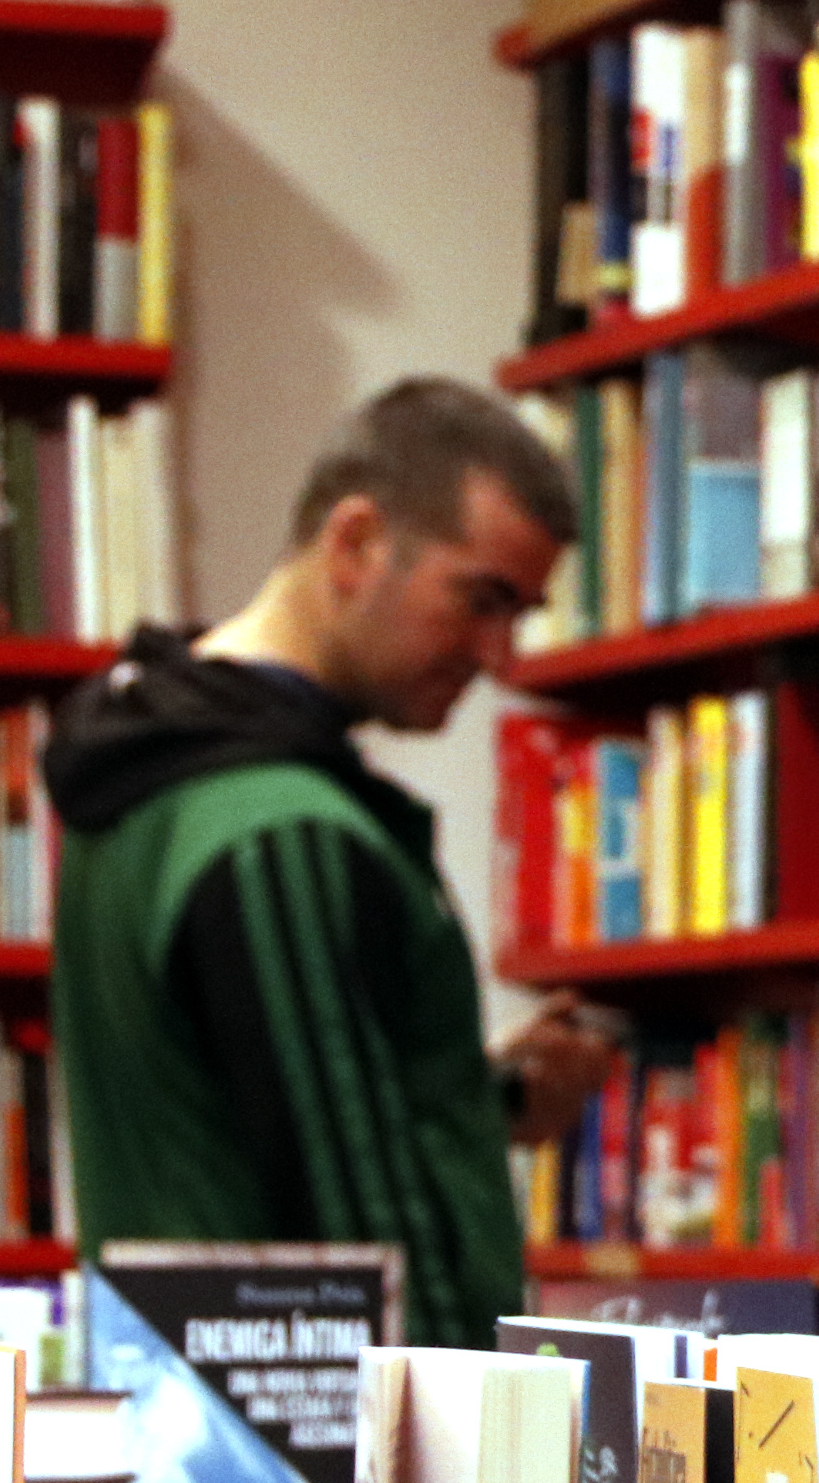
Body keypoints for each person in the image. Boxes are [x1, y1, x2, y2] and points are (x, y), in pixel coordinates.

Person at [44, 379, 616, 1351]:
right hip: (310, 1462)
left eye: (519, 613)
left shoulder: (156, 774)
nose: (500, 654)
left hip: (207, 1423)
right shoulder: (276, 830)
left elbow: (241, 1117)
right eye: (481, 600)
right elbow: (361, 1236)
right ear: (353, 542)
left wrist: (476, 1101)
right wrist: (477, 1466)